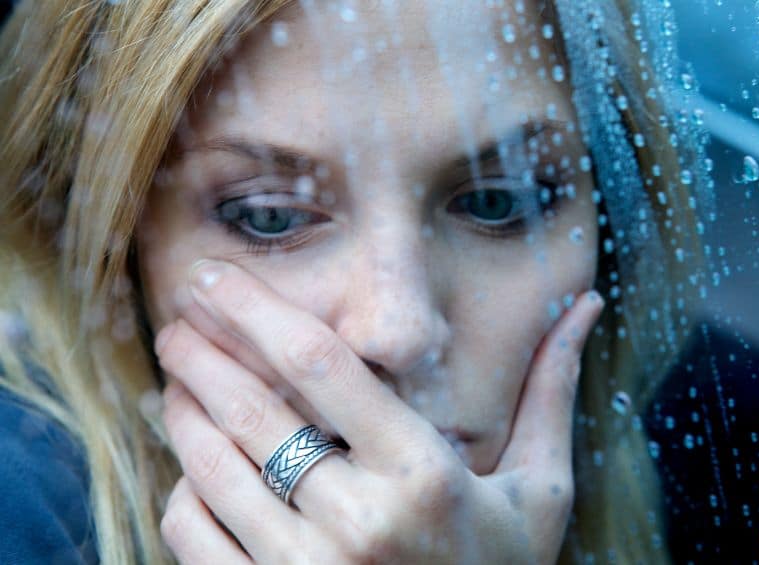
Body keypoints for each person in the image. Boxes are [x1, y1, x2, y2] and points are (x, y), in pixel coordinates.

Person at [0, 0, 709, 563]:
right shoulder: (24, 508)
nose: (396, 330)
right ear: (113, 242)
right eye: (270, 216)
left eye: (500, 200)